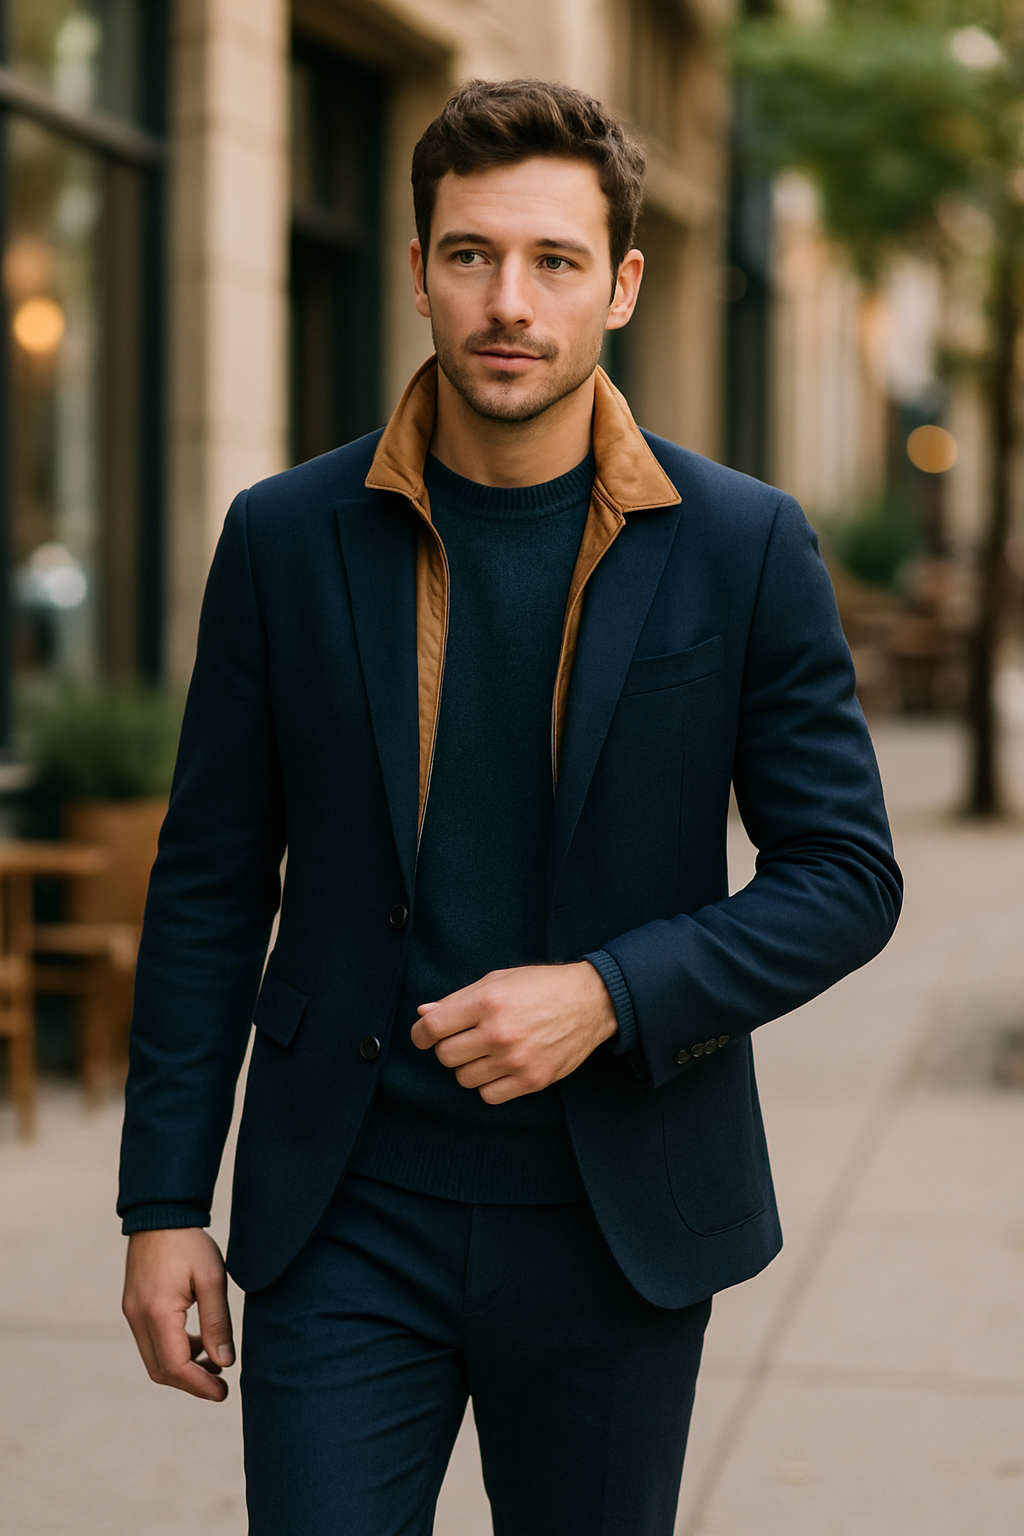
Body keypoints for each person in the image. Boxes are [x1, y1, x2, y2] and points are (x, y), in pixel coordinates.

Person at [118, 78, 902, 1536]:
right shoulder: (284, 538)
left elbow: (846, 875)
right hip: (342, 1209)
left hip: (618, 1224)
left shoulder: (743, 546)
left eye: (553, 262)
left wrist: (610, 992)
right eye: (471, 255)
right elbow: (211, 884)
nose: (509, 302)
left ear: (622, 286)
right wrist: (161, 1202)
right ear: (417, 270)